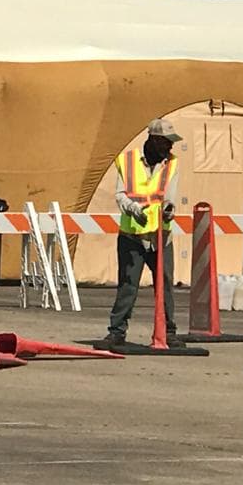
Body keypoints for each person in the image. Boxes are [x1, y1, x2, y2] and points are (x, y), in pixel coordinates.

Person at [96, 118, 184, 349]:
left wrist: (168, 210)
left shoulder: (172, 164)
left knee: (164, 284)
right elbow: (120, 194)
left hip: (160, 236)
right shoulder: (128, 162)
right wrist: (134, 209)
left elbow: (170, 195)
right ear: (154, 140)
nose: (170, 147)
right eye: (166, 142)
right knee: (128, 285)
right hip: (132, 236)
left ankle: (168, 332)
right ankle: (117, 331)